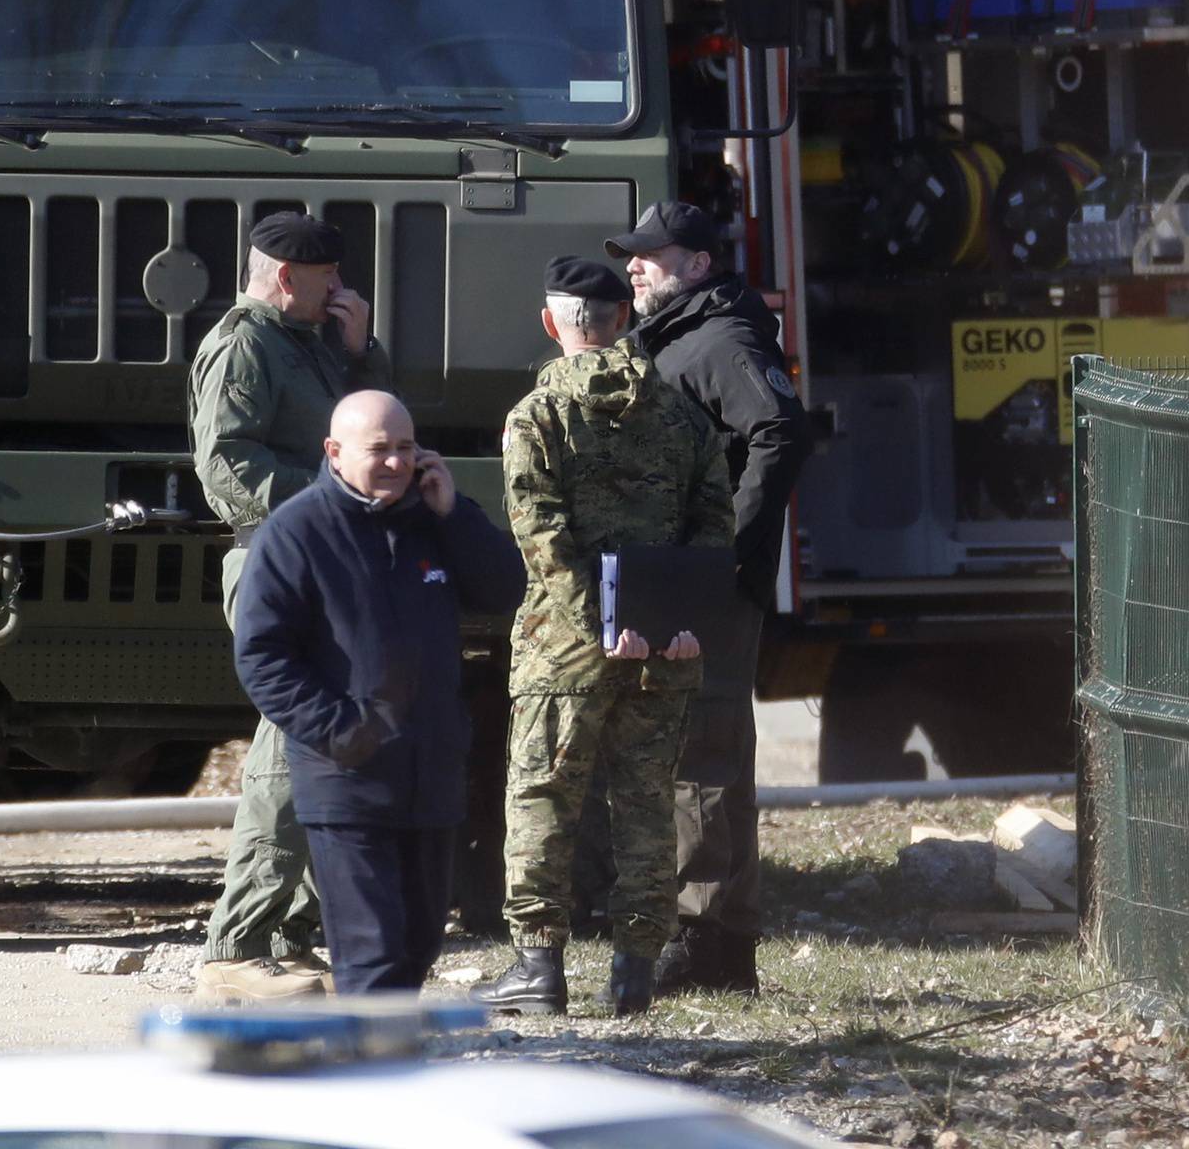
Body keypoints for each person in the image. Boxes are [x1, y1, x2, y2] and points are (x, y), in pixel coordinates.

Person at [470, 257, 734, 1017]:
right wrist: (681, 625)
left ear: (553, 325)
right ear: (625, 320)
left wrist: (599, 627)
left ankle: (538, 968)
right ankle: (634, 973)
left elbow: (542, 541)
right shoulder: (684, 416)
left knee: (544, 799)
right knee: (647, 806)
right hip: (665, 651)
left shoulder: (536, 417)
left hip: (565, 653)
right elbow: (715, 529)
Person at [232, 391, 524, 994]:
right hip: (348, 783)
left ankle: (387, 1065)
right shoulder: (296, 534)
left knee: (419, 946)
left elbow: (503, 589)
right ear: (334, 453)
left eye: (406, 449)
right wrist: (343, 733)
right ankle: (370, 1073)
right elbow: (263, 657)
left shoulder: (432, 522)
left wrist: (456, 514)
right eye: (379, 451)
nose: (395, 463)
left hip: (431, 777)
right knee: (371, 955)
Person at [609, 202, 813, 995]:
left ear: (697, 264)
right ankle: (725, 946)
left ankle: (702, 937)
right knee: (710, 754)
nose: (635, 267)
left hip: (707, 580)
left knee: (699, 754)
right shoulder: (687, 335)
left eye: (651, 255)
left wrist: (733, 546)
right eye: (632, 256)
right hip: (687, 572)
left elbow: (781, 430)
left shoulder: (720, 338)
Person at [187, 212, 392, 1001]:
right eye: (328, 280)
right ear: (284, 279)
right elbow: (227, 463)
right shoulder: (246, 345)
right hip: (280, 559)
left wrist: (359, 351)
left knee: (330, 740)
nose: (341, 290)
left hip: (327, 557)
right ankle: (235, 946)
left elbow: (380, 429)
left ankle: (291, 936)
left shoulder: (312, 343)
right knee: (291, 740)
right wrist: (328, 508)